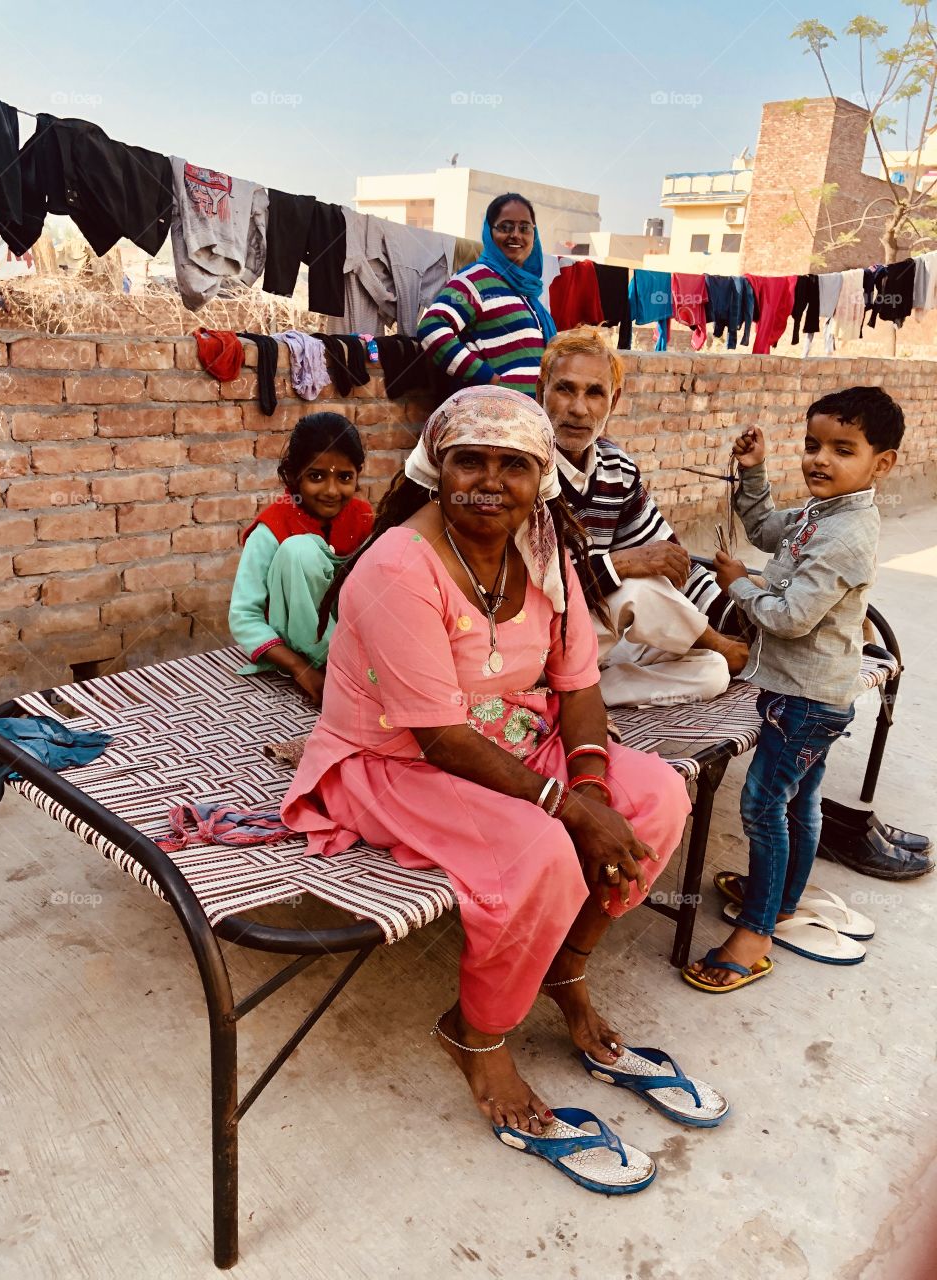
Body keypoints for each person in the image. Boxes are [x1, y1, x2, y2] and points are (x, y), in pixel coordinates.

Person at [280, 387, 715, 1180]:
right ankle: (475, 1034)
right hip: (396, 760)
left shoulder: (546, 548)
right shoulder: (396, 565)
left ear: (541, 478)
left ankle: (566, 969)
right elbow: (439, 735)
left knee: (655, 798)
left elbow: (578, 683)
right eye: (468, 460)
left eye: (513, 464)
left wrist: (587, 779)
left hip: (514, 735)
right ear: (435, 468)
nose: (490, 480)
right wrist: (567, 807)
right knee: (541, 853)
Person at [683, 387, 903, 991]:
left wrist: (737, 587)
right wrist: (753, 470)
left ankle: (755, 933)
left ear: (879, 464)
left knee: (761, 805)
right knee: (799, 801)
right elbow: (762, 526)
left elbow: (787, 618)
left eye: (842, 449)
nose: (819, 460)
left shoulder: (847, 535)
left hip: (807, 700)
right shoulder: (819, 513)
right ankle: (779, 900)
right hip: (804, 692)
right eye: (812, 446)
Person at [536, 326, 748, 706]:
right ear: (542, 392)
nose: (579, 408)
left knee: (711, 670)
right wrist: (619, 564)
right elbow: (530, 587)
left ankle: (577, 698)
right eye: (565, 388)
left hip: (594, 639)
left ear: (612, 402)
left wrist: (740, 620)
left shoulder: (616, 468)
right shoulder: (522, 467)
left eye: (594, 393)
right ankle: (719, 644)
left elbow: (671, 563)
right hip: (535, 638)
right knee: (641, 588)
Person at [228, 413, 373, 705]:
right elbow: (244, 616)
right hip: (297, 654)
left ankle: (356, 666)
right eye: (316, 476)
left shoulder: (364, 518)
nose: (331, 491)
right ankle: (330, 664)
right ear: (295, 476)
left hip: (357, 650)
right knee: (300, 551)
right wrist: (300, 668)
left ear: (357, 476)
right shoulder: (272, 528)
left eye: (344, 477)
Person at [416, 193, 556, 399]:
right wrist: (490, 380)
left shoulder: (527, 291)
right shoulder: (475, 280)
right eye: (505, 227)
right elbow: (432, 327)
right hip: (497, 413)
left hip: (533, 416)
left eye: (524, 228)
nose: (516, 235)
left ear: (534, 236)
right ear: (489, 232)